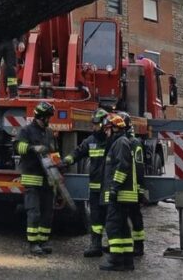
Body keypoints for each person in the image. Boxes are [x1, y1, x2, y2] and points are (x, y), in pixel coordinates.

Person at [62, 108, 110, 257]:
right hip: (95, 188)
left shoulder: (113, 141)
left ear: (103, 124)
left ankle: (115, 249)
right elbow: (78, 152)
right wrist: (67, 161)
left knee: (112, 217)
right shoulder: (90, 141)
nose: (93, 127)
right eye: (93, 124)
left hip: (109, 188)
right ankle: (95, 245)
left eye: (95, 124)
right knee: (95, 218)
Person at [15, 100, 56, 255]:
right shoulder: (26, 131)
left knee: (48, 211)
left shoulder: (49, 132)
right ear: (41, 116)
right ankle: (33, 244)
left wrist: (59, 164)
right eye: (48, 117)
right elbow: (18, 147)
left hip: (48, 177)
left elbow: (53, 151)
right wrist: (33, 148)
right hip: (32, 176)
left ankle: (43, 241)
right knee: (34, 211)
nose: (49, 120)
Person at [100, 113, 138, 272]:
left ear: (114, 129)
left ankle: (115, 260)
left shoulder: (120, 143)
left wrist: (114, 187)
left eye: (107, 129)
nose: (106, 132)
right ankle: (127, 260)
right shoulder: (120, 142)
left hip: (120, 193)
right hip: (123, 193)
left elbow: (122, 167)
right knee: (122, 226)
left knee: (113, 226)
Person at [116, 112, 147, 257]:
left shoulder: (134, 143)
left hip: (133, 188)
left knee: (135, 217)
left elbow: (139, 168)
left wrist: (140, 190)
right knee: (121, 218)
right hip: (123, 187)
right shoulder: (121, 142)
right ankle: (124, 246)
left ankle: (139, 246)